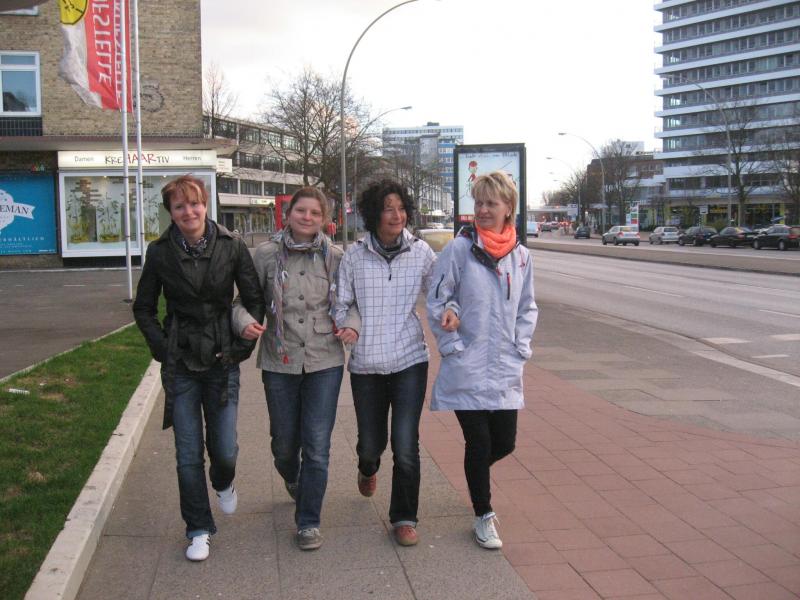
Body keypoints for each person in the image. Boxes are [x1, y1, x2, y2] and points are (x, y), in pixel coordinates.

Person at [133, 175, 265, 562]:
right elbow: (143, 307)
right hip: (181, 363)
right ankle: (198, 528)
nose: (188, 212)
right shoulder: (160, 252)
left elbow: (254, 298)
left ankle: (223, 481)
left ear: (206, 205)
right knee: (187, 453)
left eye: (194, 204)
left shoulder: (232, 245)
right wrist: (162, 347)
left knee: (224, 450)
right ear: (171, 212)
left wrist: (243, 345)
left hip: (222, 359)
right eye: (180, 206)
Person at [233, 187, 350, 551]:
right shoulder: (266, 255)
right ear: (288, 214)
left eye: (315, 213)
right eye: (301, 210)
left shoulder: (336, 257)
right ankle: (292, 476)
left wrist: (352, 325)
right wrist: (244, 322)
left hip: (324, 359)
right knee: (284, 445)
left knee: (317, 445)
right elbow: (242, 302)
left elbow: (351, 302)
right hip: (279, 359)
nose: (307, 217)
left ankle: (308, 522)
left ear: (325, 219)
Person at [426, 171, 538, 550]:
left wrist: (521, 346)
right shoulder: (460, 249)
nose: (484, 210)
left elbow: (527, 307)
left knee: (504, 443)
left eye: (492, 203)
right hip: (467, 363)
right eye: (479, 203)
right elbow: (438, 299)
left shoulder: (521, 257)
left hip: (505, 365)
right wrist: (452, 345)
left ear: (509, 208)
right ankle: (483, 515)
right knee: (478, 441)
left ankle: (476, 478)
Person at [334, 180, 437, 547]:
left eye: (401, 208)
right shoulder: (354, 255)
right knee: (370, 444)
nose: (397, 215)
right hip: (366, 364)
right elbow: (341, 302)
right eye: (388, 209)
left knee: (406, 444)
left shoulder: (421, 252)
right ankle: (367, 467)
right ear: (374, 214)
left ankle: (404, 518)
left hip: (410, 359)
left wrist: (453, 312)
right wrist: (348, 325)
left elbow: (440, 293)